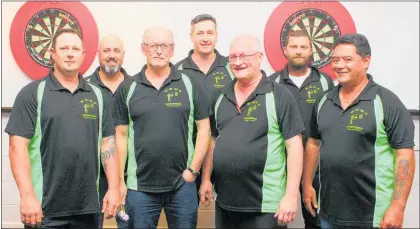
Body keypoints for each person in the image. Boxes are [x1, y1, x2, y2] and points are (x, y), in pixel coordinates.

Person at [5, 28, 121, 229]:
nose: (70, 53)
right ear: (53, 53)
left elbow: (107, 144)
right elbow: (17, 147)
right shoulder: (32, 93)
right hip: (44, 209)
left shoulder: (98, 95)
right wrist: (27, 196)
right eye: (64, 48)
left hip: (89, 208)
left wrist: (113, 188)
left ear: (83, 55)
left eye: (75, 49)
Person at [303, 33, 415, 228]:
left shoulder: (387, 102)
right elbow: (313, 143)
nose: (339, 65)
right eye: (335, 59)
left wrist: (398, 206)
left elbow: (404, 155)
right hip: (329, 212)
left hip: (373, 216)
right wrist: (307, 184)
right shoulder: (323, 101)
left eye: (347, 59)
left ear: (365, 61)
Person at [199, 34, 305, 228]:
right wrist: (206, 179)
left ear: (259, 57)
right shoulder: (222, 96)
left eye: (244, 56)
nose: (238, 62)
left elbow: (295, 146)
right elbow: (214, 141)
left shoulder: (279, 95)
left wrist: (291, 196)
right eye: (233, 57)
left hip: (265, 206)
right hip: (225, 203)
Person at [113, 26, 211, 229]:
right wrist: (120, 182)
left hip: (182, 186)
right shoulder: (128, 88)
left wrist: (193, 171)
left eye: (164, 46)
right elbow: (121, 136)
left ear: (173, 49)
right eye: (153, 45)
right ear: (143, 49)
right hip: (139, 187)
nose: (159, 51)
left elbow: (204, 130)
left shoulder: (190, 83)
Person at [268, 30, 334, 229]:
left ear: (311, 50)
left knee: (315, 221)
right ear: (286, 50)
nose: (298, 51)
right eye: (294, 47)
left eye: (303, 47)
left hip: (316, 168)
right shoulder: (272, 83)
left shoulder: (325, 82)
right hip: (280, 166)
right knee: (277, 221)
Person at [175, 13, 234, 203]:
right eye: (200, 33)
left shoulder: (232, 68)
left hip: (227, 153)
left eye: (210, 33)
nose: (206, 38)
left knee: (230, 213)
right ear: (191, 36)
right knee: (185, 213)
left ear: (217, 35)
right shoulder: (177, 71)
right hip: (188, 157)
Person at [84, 34, 130, 228]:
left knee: (129, 224)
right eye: (107, 50)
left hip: (129, 174)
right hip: (92, 174)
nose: (112, 55)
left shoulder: (135, 86)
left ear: (123, 55)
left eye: (116, 51)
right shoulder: (84, 87)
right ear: (97, 55)